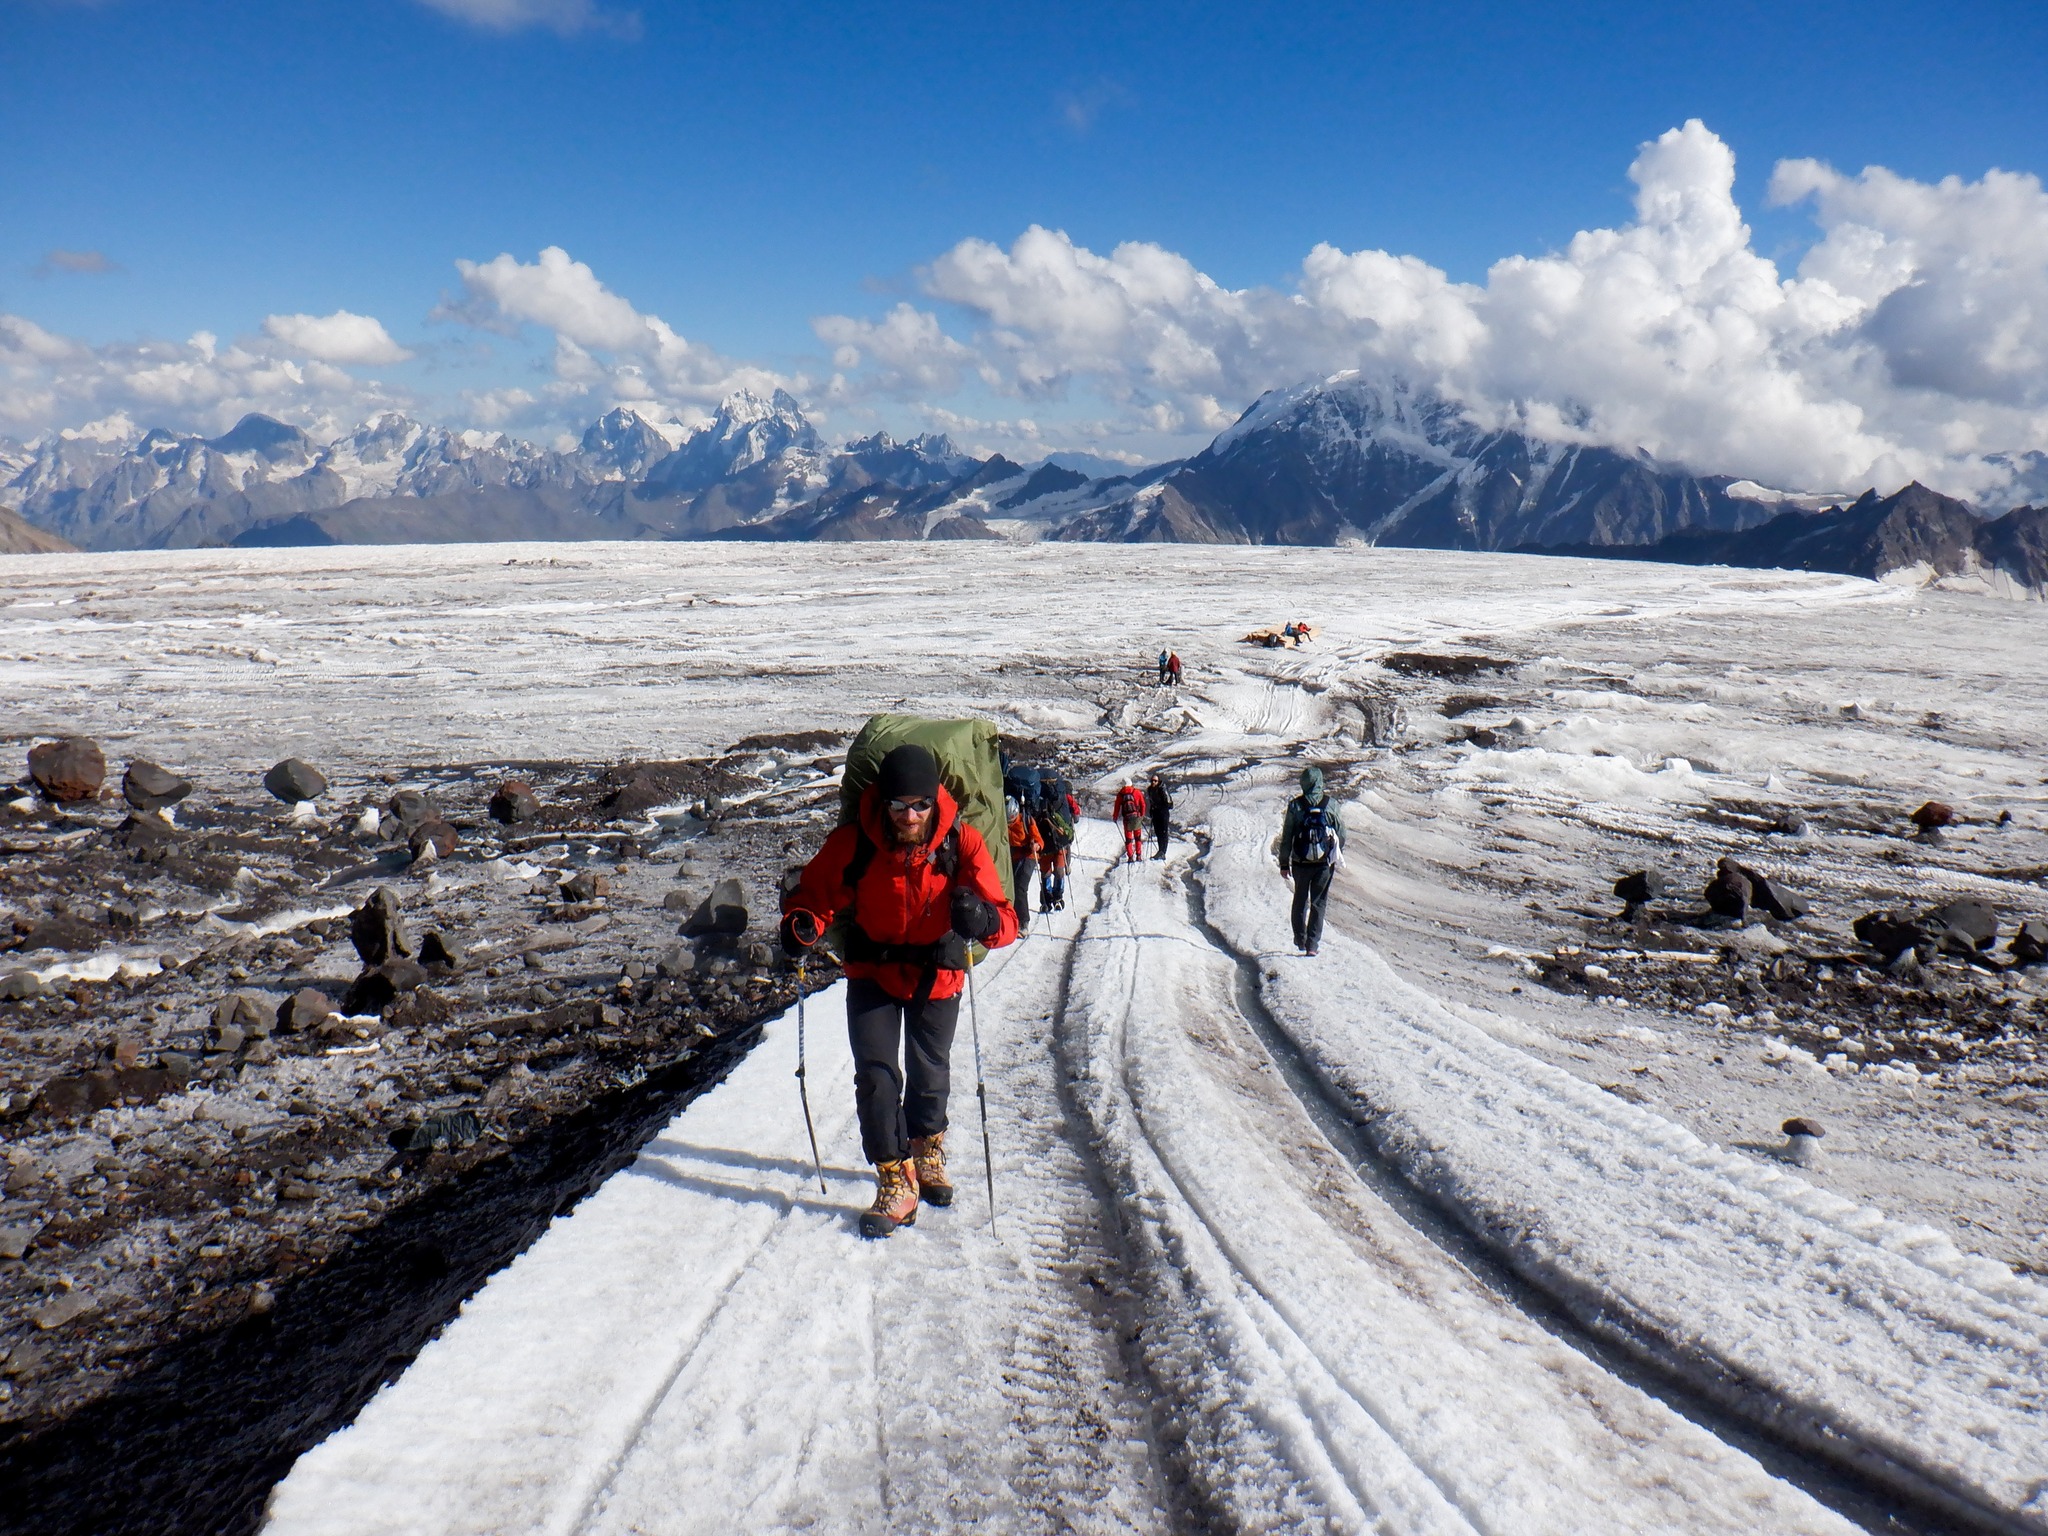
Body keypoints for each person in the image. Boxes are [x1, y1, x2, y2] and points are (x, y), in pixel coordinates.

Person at [781, 744, 1019, 1237]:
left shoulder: (963, 843)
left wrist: (984, 918)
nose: (908, 815)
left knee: (929, 1074)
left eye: (919, 805)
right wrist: (801, 923)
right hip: (872, 973)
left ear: (934, 801)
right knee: (876, 1078)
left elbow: (1007, 922)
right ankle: (895, 1178)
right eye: (897, 805)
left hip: (938, 975)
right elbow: (816, 897)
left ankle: (927, 1147)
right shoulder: (856, 842)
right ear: (882, 802)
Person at [1274, 765, 1345, 956]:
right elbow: (1342, 835)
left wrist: (1283, 863)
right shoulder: (1332, 805)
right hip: (1323, 864)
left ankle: (1300, 939)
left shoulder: (1296, 806)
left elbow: (1287, 836)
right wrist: (1333, 855)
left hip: (1300, 863)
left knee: (1300, 899)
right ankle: (1312, 945)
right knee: (1318, 903)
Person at [1036, 774, 1080, 910]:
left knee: (1046, 872)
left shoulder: (1038, 802)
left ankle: (1046, 898)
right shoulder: (1063, 800)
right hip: (1060, 843)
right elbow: (1075, 816)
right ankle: (1058, 897)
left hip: (1044, 843)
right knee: (1059, 871)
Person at [1006, 791, 1043, 932]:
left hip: (1029, 856)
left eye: (1012, 819)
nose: (1011, 822)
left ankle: (1023, 923)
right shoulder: (1003, 823)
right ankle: (1012, 919)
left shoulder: (1027, 820)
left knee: (1020, 887)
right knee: (1010, 887)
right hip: (1013, 856)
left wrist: (1036, 845)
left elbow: (1039, 840)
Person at [1113, 781, 1148, 864]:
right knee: (1137, 837)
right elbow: (1143, 804)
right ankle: (1138, 856)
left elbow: (1117, 806)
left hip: (1127, 819)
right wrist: (1142, 815)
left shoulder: (1120, 794)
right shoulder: (1137, 792)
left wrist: (1115, 817)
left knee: (1128, 839)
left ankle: (1130, 857)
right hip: (1136, 817)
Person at [1146, 771, 1173, 860]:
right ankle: (1160, 851)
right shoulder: (1150, 790)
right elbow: (1151, 802)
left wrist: (1161, 807)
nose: (1153, 782)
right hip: (1155, 813)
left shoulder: (1162, 789)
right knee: (1158, 833)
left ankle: (1163, 852)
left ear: (1158, 781)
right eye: (1152, 781)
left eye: (1155, 781)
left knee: (1163, 833)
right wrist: (1152, 810)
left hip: (1163, 813)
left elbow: (1169, 803)